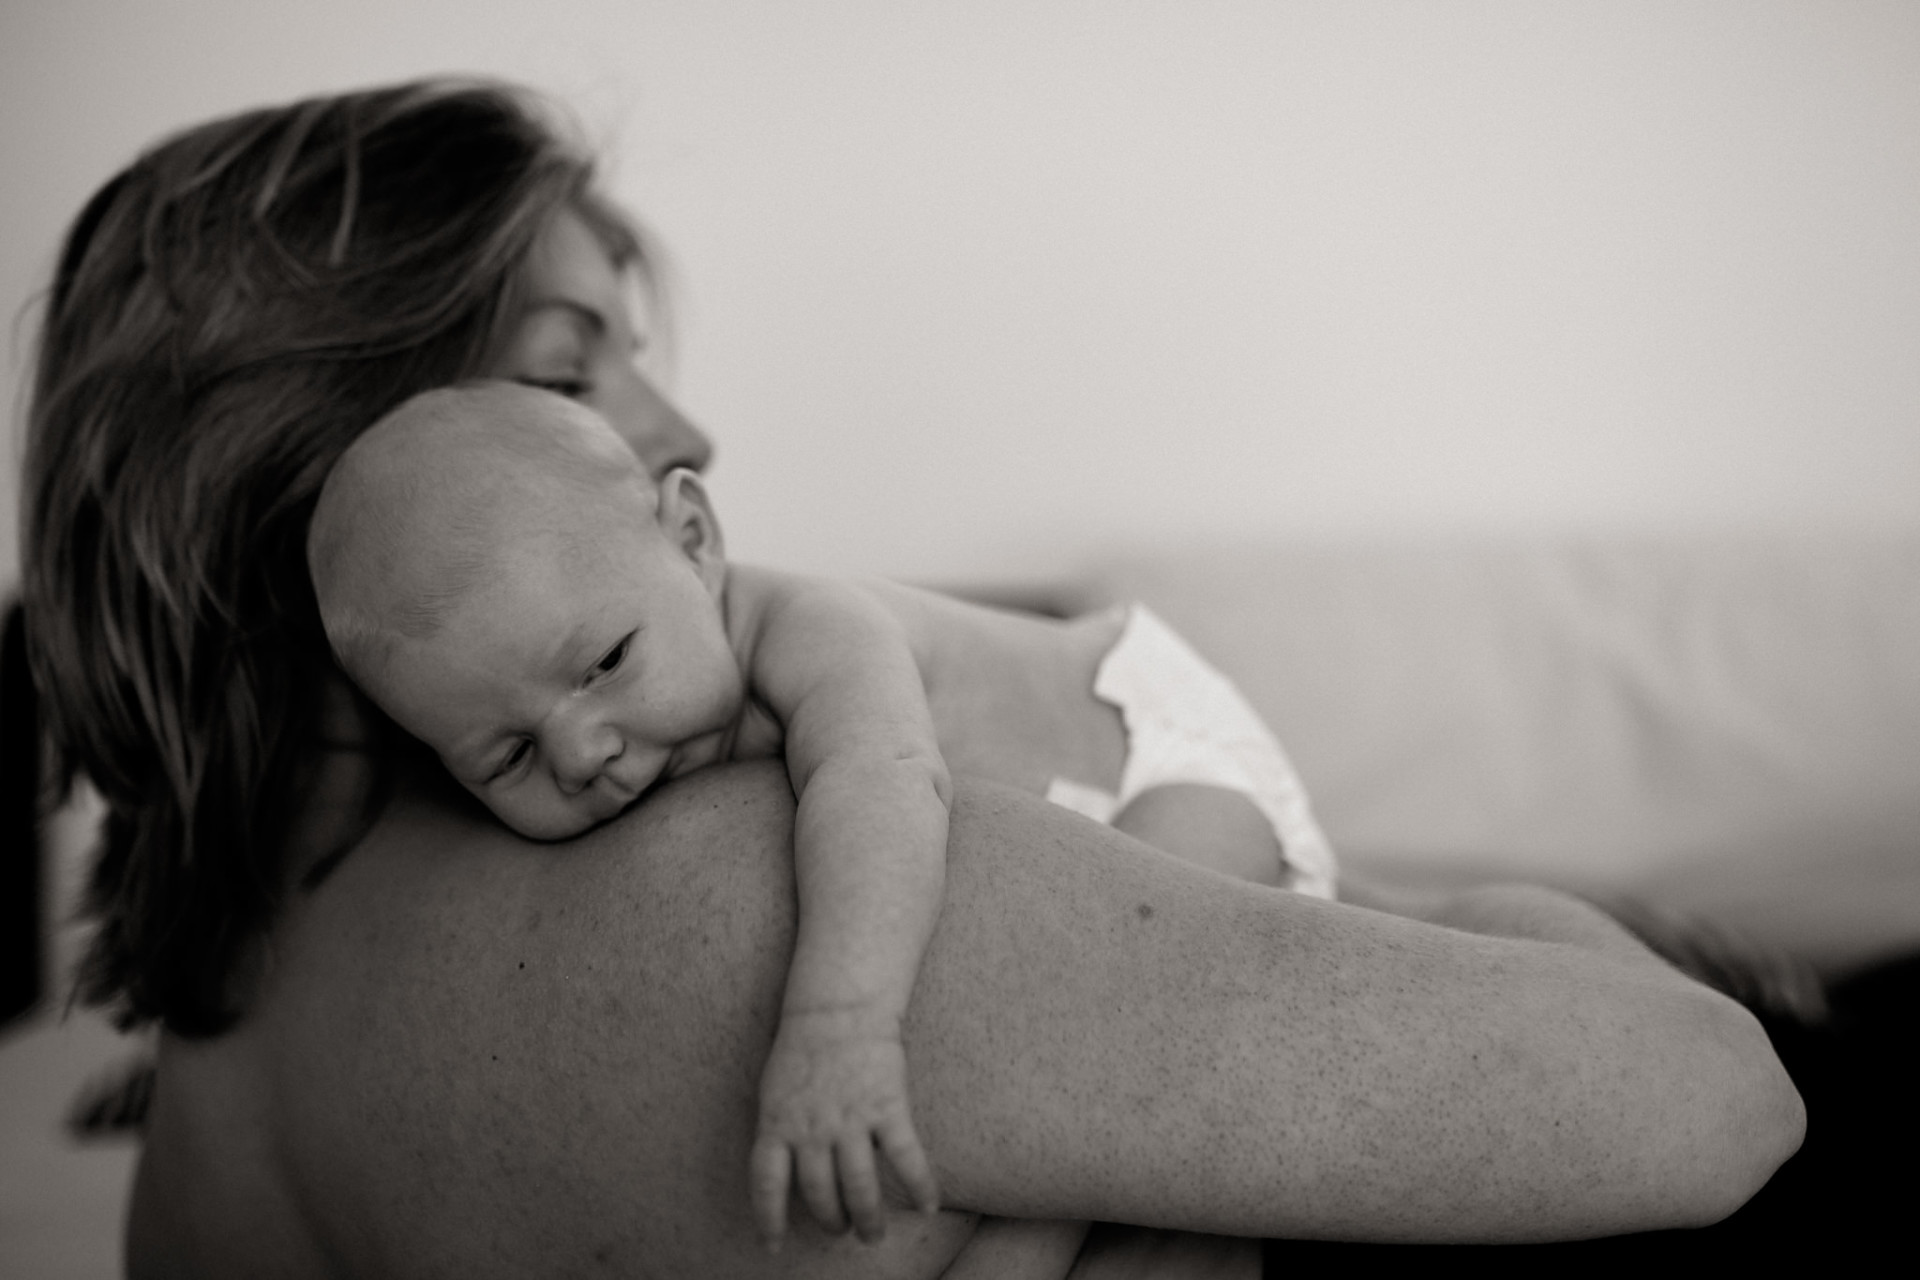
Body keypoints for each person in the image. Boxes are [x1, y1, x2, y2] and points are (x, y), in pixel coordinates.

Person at [16, 79, 1803, 1278]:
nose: (688, 433)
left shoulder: (211, 1090)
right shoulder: (788, 889)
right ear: (317, 484)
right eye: (567, 379)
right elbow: (1709, 1101)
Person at [305, 378, 1339, 1244]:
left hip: (1157, 760)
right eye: (508, 752)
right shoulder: (618, 696)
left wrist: (838, 1028)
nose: (583, 752)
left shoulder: (814, 627)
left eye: (606, 662)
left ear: (695, 538)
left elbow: (882, 781)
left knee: (1123, 1062)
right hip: (1077, 838)